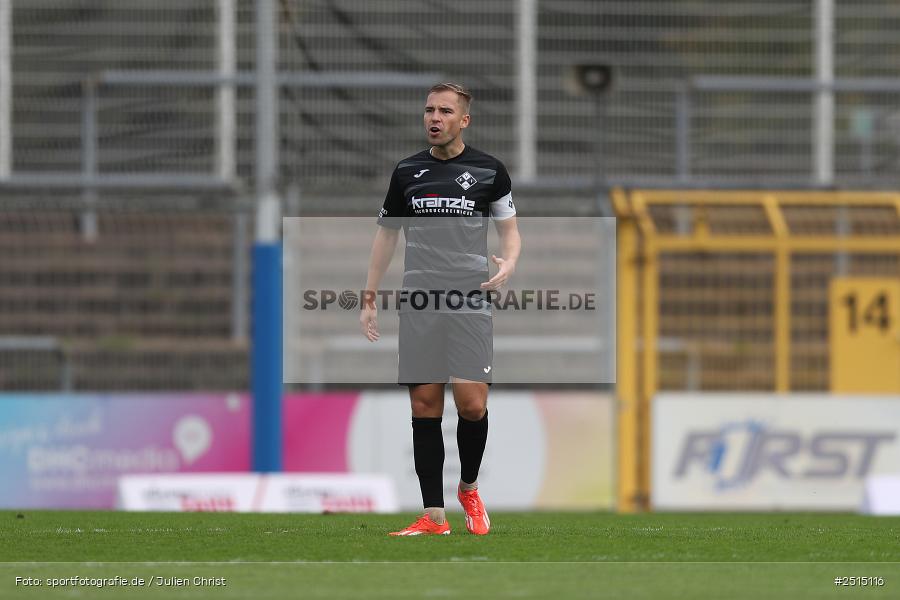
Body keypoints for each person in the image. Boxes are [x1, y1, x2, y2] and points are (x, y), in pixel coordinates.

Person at [360, 83, 521, 536]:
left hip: (469, 298)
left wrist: (510, 260)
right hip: (420, 298)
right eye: (429, 110)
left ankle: (468, 487)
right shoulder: (407, 172)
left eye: (445, 111)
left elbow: (510, 232)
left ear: (463, 120)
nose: (434, 117)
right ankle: (433, 516)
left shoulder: (490, 170)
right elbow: (386, 237)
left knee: (471, 405)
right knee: (425, 404)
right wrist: (369, 297)